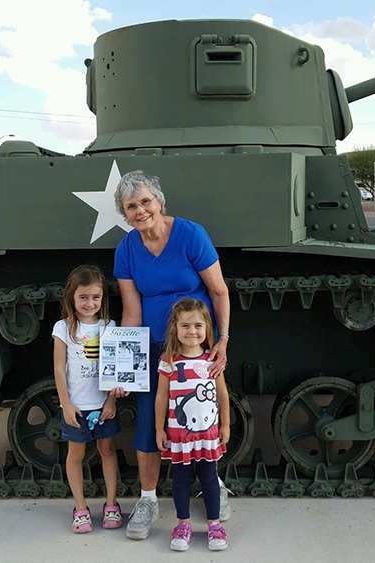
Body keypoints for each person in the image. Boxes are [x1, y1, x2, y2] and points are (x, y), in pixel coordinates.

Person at [112, 170, 232, 540]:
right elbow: (131, 313)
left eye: (145, 201)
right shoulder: (127, 249)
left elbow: (219, 291)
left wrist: (223, 340)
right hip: (153, 348)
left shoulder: (191, 235)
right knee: (151, 417)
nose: (140, 210)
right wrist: (122, 369)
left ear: (159, 201)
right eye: (131, 206)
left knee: (203, 413)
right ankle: (148, 499)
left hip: (195, 346)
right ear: (125, 213)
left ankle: (214, 485)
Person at [156, 299, 230, 551]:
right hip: (179, 436)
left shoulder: (212, 360)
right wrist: (159, 428)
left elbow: (222, 395)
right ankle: (183, 523)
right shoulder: (168, 361)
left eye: (198, 325)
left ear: (207, 328)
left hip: (208, 435)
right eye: (185, 325)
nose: (192, 331)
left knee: (209, 478)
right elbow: (161, 397)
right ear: (175, 329)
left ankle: (214, 524)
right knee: (181, 479)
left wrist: (226, 425)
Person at [52, 265, 121, 533]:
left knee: (107, 450)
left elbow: (115, 368)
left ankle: (111, 503)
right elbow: (59, 367)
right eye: (83, 297)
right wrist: (65, 403)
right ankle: (80, 507)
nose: (89, 303)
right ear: (71, 297)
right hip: (76, 406)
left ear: (102, 298)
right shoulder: (63, 328)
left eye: (95, 297)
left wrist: (112, 401)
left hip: (103, 404)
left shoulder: (109, 327)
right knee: (76, 454)